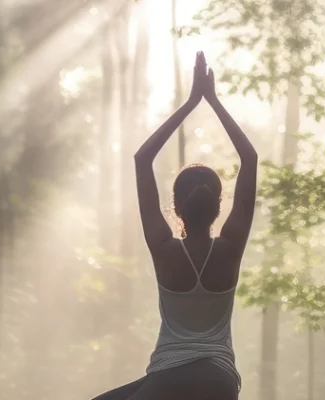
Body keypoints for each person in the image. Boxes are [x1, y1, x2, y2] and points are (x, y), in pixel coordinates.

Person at [91, 52, 258, 400]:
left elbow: (142, 159)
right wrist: (212, 101)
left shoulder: (164, 249)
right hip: (221, 381)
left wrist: (190, 103)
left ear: (176, 206)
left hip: (169, 380)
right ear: (218, 206)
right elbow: (250, 158)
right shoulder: (230, 248)